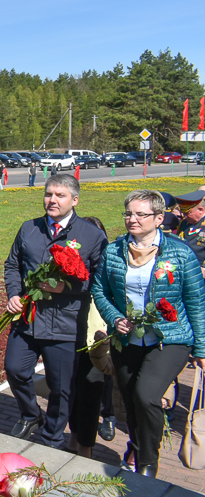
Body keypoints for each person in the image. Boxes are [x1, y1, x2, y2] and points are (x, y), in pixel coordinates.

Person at [91, 189, 205, 478]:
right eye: (129, 213)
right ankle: (137, 446)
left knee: (146, 396)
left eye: (141, 214)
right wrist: (114, 317)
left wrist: (202, 350)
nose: (133, 219)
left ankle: (147, 463)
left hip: (170, 339)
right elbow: (100, 291)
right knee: (130, 402)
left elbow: (196, 302)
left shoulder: (180, 253)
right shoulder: (114, 251)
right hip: (127, 339)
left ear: (158, 217)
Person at [3, 174, 107, 448]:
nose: (52, 200)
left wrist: (69, 287)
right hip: (28, 318)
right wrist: (14, 293)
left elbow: (99, 279)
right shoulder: (29, 228)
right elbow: (12, 265)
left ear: (74, 200)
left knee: (61, 388)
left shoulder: (91, 235)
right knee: (15, 370)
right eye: (49, 194)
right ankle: (31, 414)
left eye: (60, 195)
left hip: (65, 324)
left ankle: (51, 436)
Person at [66, 216, 110, 458]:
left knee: (91, 392)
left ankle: (86, 446)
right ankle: (74, 436)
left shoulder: (109, 263)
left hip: (95, 335)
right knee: (71, 388)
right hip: (69, 332)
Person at [173, 190, 205, 268]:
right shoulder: (184, 223)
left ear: (200, 210)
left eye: (187, 213)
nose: (184, 216)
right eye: (183, 213)